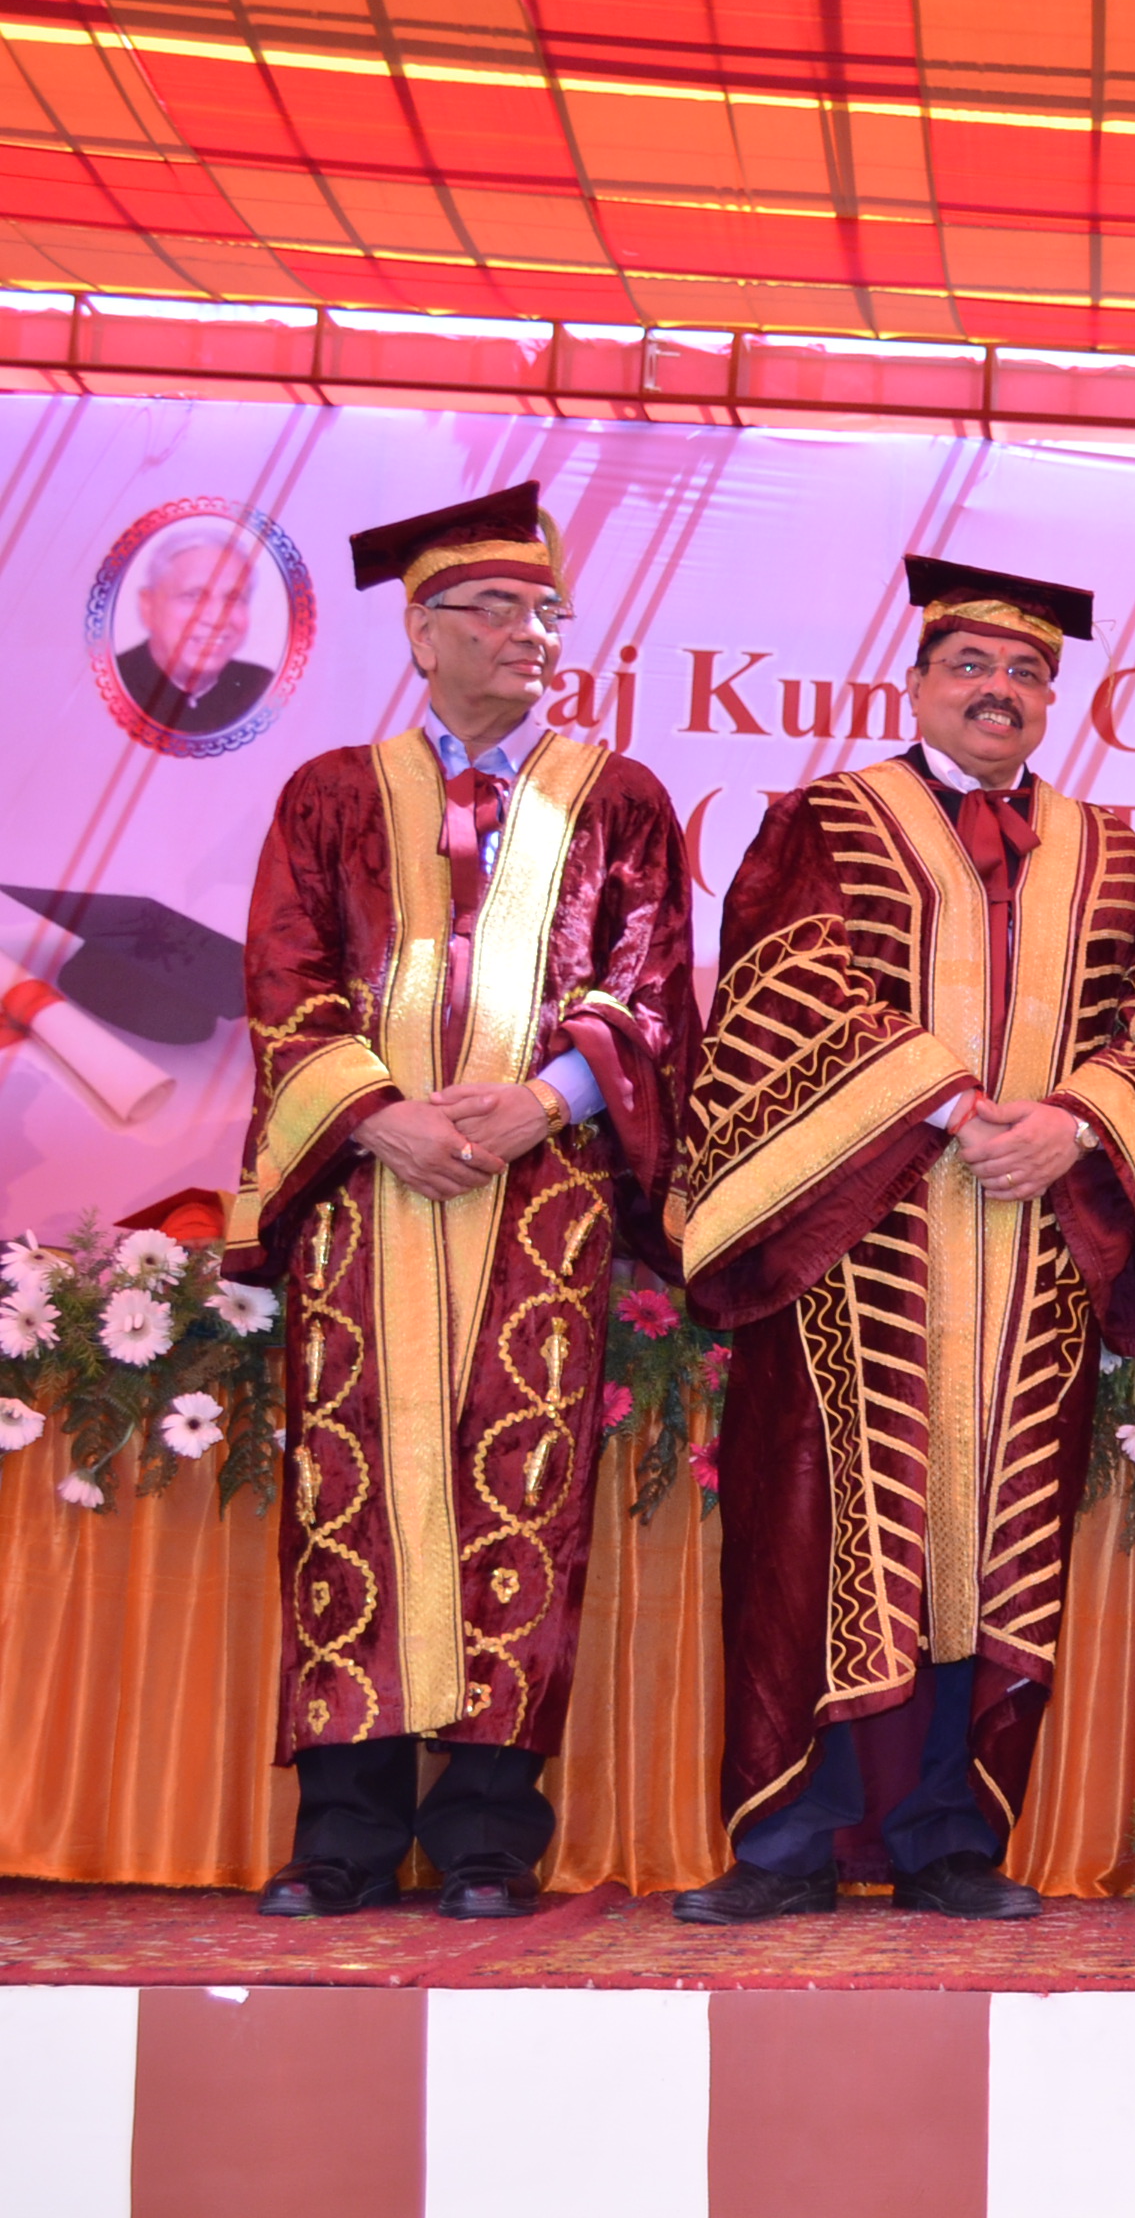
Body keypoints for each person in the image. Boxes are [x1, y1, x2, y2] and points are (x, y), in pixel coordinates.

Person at [671, 559, 1135, 1926]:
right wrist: (951, 1103)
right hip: (858, 1246)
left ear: (1054, 700)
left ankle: (950, 1837)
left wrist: (1078, 1121)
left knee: (996, 1540)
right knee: (826, 1526)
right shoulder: (827, 821)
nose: (998, 691)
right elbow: (786, 987)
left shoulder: (1111, 853)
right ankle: (792, 1837)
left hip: (1032, 1254)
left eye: (1025, 674)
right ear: (914, 683)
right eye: (970, 667)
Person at [227, 482, 694, 1918]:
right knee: (352, 1484)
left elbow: (653, 987)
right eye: (494, 608)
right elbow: (286, 978)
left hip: (540, 1194)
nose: (529, 632)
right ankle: (344, 1835)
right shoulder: (330, 793)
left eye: (546, 610)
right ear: (421, 633)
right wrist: (376, 1113)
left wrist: (547, 1100)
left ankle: (491, 1833)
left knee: (521, 1486)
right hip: (367, 1190)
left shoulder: (616, 797)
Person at [120, 532, 274, 736]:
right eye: (194, 595)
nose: (217, 618)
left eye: (233, 598)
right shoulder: (113, 685)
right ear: (148, 606)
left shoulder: (263, 688)